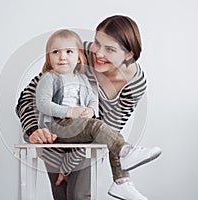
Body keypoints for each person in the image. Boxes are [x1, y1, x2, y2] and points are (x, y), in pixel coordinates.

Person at [16, 15, 161, 200]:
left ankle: (122, 180)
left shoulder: (135, 84)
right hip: (52, 135)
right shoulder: (77, 54)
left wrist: (69, 164)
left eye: (109, 49)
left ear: (129, 54)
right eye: (97, 43)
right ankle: (123, 167)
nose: (99, 54)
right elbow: (28, 97)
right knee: (61, 195)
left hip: (87, 141)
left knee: (79, 194)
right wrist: (33, 129)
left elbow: (109, 128)